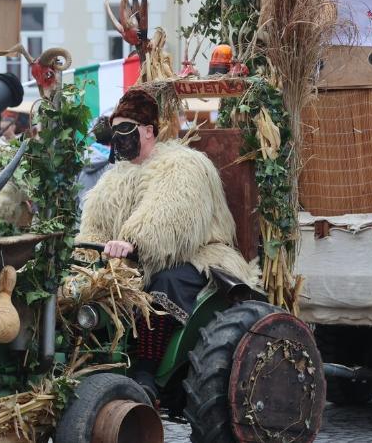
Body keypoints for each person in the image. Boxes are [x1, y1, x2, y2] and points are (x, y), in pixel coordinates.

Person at [75, 89, 259, 400]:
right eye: (114, 130)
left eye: (125, 129)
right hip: (134, 262)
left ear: (147, 131)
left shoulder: (182, 166)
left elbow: (171, 218)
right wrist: (87, 253)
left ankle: (147, 371)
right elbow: (95, 225)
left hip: (201, 256)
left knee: (166, 282)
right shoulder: (114, 179)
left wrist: (133, 242)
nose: (118, 137)